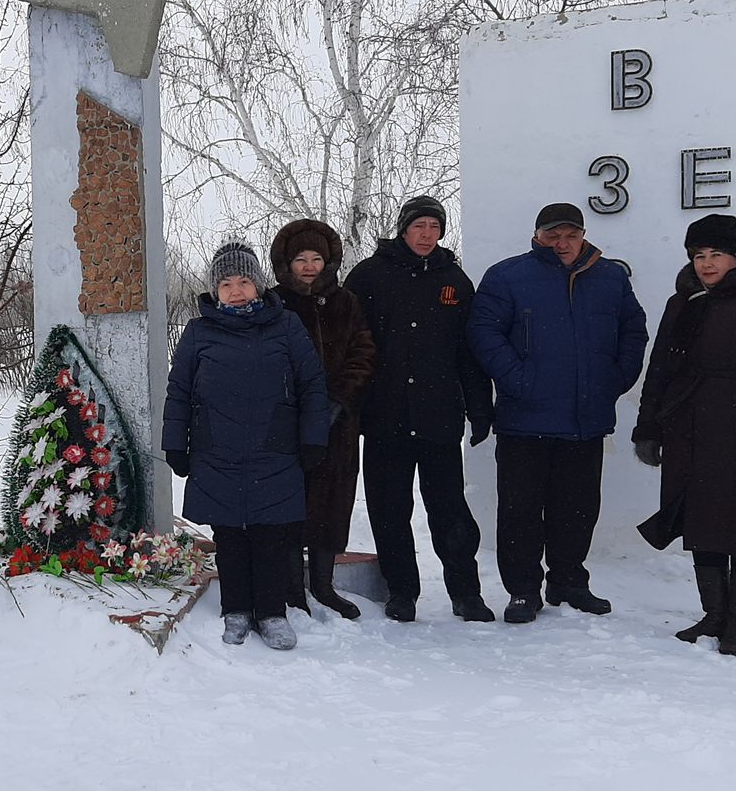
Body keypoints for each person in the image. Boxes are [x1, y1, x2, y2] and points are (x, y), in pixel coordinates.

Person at [466, 202, 648, 624]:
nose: (562, 244)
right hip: (524, 420)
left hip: (585, 418)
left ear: (583, 235)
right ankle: (523, 590)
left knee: (578, 508)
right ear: (537, 237)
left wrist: (613, 379)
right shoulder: (508, 276)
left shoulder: (610, 277)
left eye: (571, 234)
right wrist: (519, 379)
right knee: (520, 510)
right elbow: (483, 333)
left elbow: (633, 330)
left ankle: (568, 581)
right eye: (553, 235)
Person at [631, 215, 736, 657]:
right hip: (689, 427)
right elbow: (661, 370)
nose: (706, 264)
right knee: (701, 522)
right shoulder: (683, 301)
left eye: (716, 255)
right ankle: (714, 614)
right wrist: (648, 425)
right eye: (699, 255)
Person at [163, 241, 329, 651]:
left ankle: (272, 613)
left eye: (243, 281)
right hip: (216, 448)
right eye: (225, 283)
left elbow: (312, 385)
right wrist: (175, 444)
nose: (236, 291)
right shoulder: (199, 332)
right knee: (230, 535)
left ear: (258, 284)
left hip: (274, 447)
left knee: (270, 534)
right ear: (214, 290)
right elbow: (179, 391)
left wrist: (312, 439)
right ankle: (236, 609)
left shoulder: (286, 326)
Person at [345, 195, 497, 623]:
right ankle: (402, 592)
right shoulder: (370, 276)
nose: (427, 235)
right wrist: (350, 405)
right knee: (390, 510)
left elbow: (469, 352)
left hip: (438, 418)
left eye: (435, 227)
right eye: (419, 227)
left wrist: (479, 407)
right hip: (384, 418)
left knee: (450, 511)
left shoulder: (454, 280)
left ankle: (466, 593)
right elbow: (350, 346)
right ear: (403, 229)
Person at [268, 218, 374, 621]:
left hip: (337, 422)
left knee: (332, 500)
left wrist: (337, 399)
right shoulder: (274, 303)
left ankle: (324, 586)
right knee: (291, 502)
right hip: (288, 423)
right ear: (286, 263)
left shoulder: (346, 302)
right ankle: (293, 588)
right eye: (301, 259)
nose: (309, 266)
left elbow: (363, 353)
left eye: (316, 258)